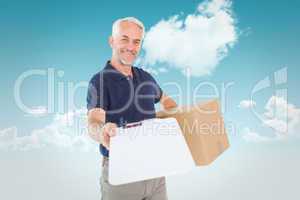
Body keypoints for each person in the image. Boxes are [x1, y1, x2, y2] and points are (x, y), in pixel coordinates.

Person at [86, 17, 177, 200]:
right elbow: (94, 120)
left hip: (155, 170)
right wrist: (102, 132)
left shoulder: (146, 77)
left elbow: (168, 103)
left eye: (136, 42)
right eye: (124, 39)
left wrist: (170, 120)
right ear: (112, 41)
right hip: (122, 174)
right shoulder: (100, 81)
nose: (130, 47)